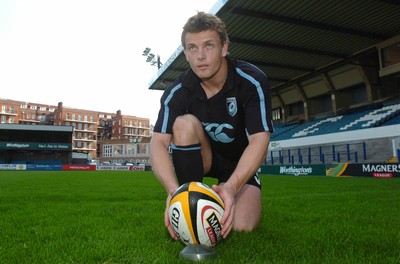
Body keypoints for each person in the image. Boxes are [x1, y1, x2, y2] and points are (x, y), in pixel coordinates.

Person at [150, 11, 274, 241]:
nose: (200, 56)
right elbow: (158, 142)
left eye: (209, 45)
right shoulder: (177, 92)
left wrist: (231, 187)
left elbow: (260, 139)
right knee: (183, 124)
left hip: (239, 164)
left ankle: (232, 188)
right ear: (185, 53)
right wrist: (173, 191)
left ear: (224, 47)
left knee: (241, 226)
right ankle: (189, 199)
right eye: (192, 48)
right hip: (204, 158)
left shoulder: (252, 81)